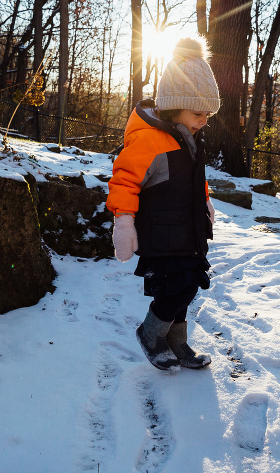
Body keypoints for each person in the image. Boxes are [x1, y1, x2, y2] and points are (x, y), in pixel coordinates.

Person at [106, 37, 219, 371]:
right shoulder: (149, 140)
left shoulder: (189, 137)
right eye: (198, 113)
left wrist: (206, 203)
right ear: (175, 105)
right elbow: (124, 180)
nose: (204, 121)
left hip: (188, 230)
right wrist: (123, 223)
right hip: (162, 232)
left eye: (208, 115)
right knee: (179, 288)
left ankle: (177, 341)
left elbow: (195, 179)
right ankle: (150, 334)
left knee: (187, 286)